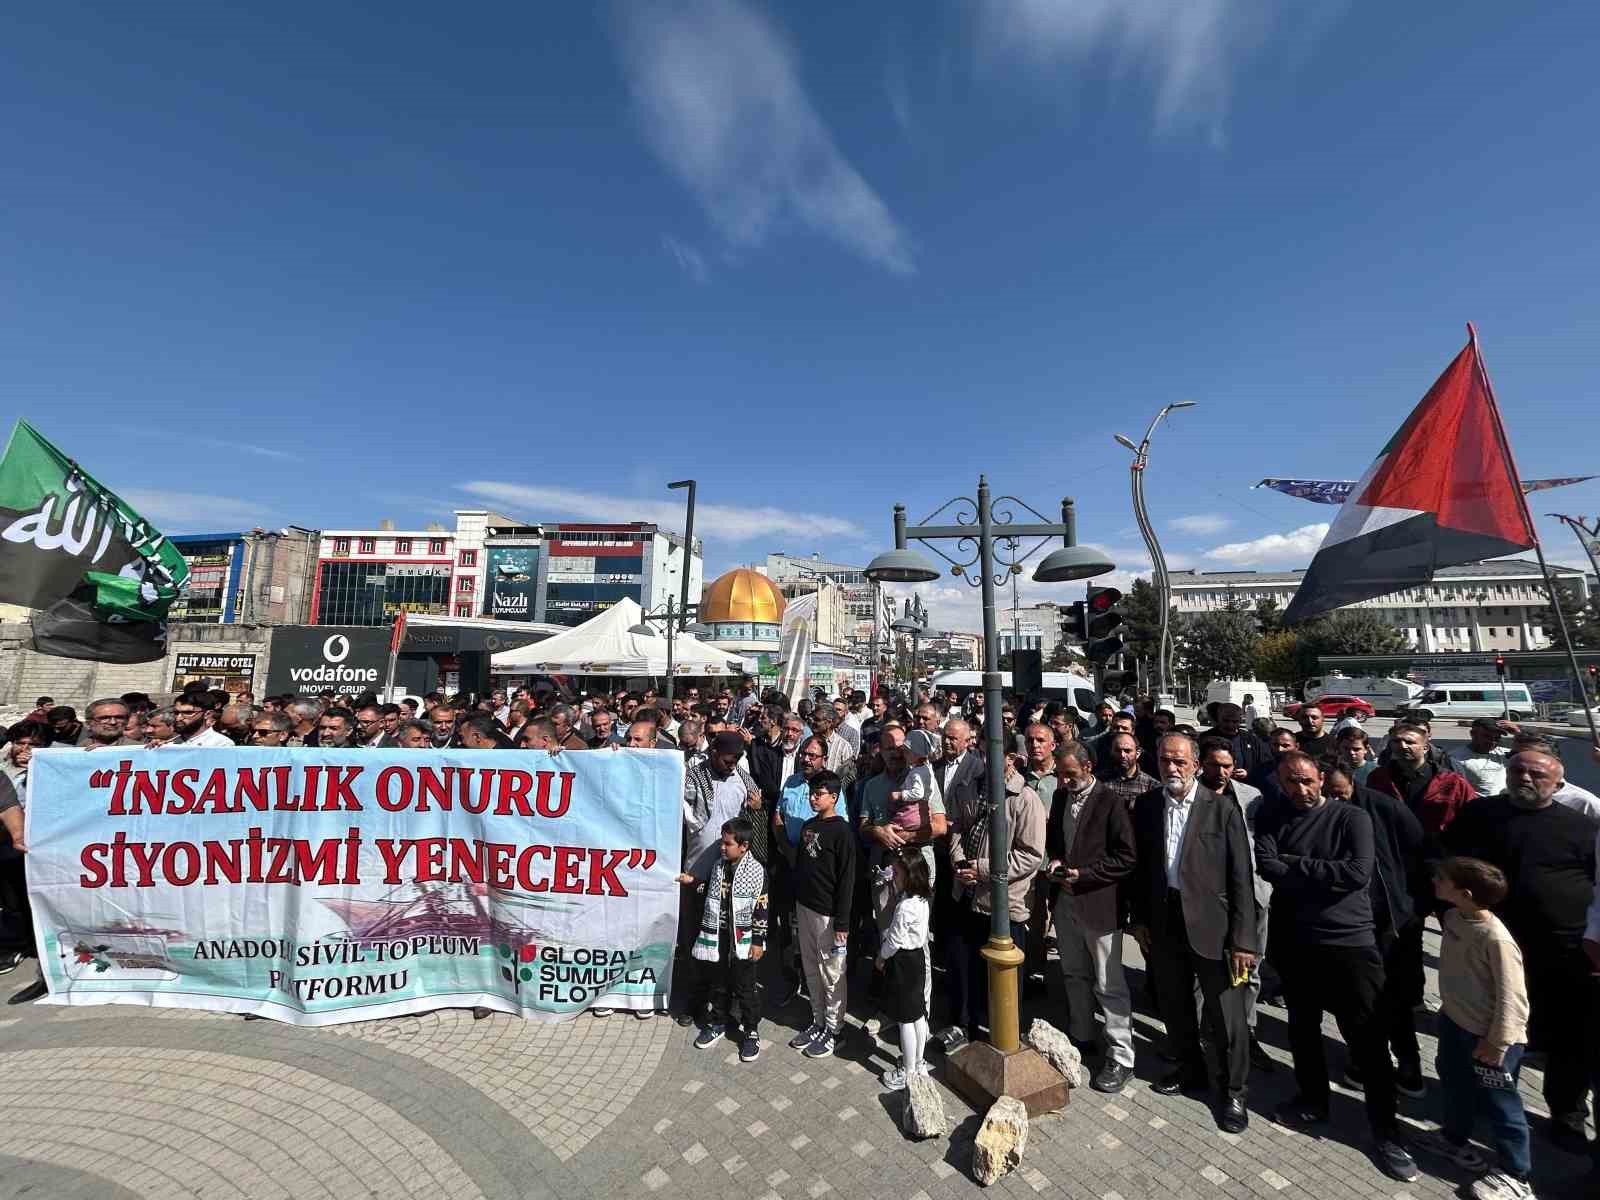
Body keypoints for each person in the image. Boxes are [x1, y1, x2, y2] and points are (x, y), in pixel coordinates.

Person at [1255, 752, 1419, 1183]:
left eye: (1307, 780)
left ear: (1322, 779)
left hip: (1350, 943)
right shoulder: (1272, 817)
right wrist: (1315, 871)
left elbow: (1357, 873)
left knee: (1367, 1038)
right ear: (1280, 782)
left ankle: (1386, 1131)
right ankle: (1312, 1101)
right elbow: (1267, 866)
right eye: (1291, 782)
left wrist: (1295, 866)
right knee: (1303, 1030)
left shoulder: (1352, 819)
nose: (1301, 789)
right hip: (1295, 943)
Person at [1444, 748, 1598, 1161]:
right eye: (1518, 771)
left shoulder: (1582, 826)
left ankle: (1566, 1113)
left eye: (1537, 774)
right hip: (1489, 951)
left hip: (1562, 952)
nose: (1525, 779)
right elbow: (1447, 861)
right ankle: (1483, 1102)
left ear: (1558, 783)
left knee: (1569, 1039)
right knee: (1488, 1029)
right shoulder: (1480, 815)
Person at [1128, 734, 1256, 1134]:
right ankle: (1191, 1071)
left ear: (1196, 765)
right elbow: (1141, 869)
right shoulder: (1147, 806)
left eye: (1181, 762)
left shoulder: (1222, 810)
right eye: (1166, 761)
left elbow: (1241, 880)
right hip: (1165, 927)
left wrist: (1243, 940)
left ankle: (1234, 1091)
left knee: (1227, 1019)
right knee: (1176, 1008)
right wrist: (1139, 920)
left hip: (1215, 933)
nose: (1172, 768)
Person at [1414, 857, 1534, 1200]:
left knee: (1501, 1104)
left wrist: (1497, 1043)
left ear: (1464, 893)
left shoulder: (1496, 939)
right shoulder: (1453, 916)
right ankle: (1453, 1138)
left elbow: (1514, 999)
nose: (1434, 880)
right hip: (1455, 1024)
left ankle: (1516, 1175)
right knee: (1454, 1083)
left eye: (1442, 879)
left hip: (1491, 1039)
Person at [1322, 764, 1429, 1099]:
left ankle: (1408, 1063)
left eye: (1338, 792)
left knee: (1393, 996)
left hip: (1390, 923)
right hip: (1345, 925)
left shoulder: (1385, 808)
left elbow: (1420, 853)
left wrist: (1411, 906)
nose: (1331, 798)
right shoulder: (1316, 813)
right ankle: (1362, 1058)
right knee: (1352, 997)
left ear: (1351, 782)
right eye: (1326, 793)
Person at [1044, 741, 1137, 1093]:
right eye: (1061, 774)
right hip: (1066, 903)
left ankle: (1121, 1056)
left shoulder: (1110, 802)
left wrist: (1084, 875)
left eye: (1071, 774)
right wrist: (1056, 862)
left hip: (1098, 905)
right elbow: (1057, 842)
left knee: (1108, 983)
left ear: (1088, 768)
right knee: (1074, 974)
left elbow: (1126, 857)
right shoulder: (1060, 797)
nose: (1065, 780)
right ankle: (1081, 1036)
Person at [948, 750, 1045, 1046]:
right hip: (965, 892)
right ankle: (964, 1025)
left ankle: (1003, 1035)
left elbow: (1030, 856)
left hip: (1001, 904)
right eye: (980, 751)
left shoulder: (1025, 799)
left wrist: (982, 869)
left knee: (1003, 977)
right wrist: (959, 862)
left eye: (990, 752)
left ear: (1012, 757)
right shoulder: (970, 787)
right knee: (964, 967)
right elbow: (956, 828)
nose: (983, 759)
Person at [1197, 739, 1274, 1070]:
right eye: (1214, 765)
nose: (1221, 772)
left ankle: (1247, 1031)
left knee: (1250, 969)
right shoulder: (1189, 797)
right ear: (1202, 764)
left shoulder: (1251, 796)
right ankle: (1202, 1032)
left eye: (1227, 766)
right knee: (1204, 971)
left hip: (1252, 895)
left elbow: (1263, 844)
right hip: (1205, 898)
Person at [677, 816, 768, 1061]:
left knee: (745, 986)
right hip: (719, 936)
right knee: (719, 981)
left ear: (744, 846)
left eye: (728, 844)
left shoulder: (757, 872)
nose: (722, 847)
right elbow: (710, 891)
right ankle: (717, 1021)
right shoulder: (718, 867)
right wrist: (693, 881)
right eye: (722, 843)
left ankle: (750, 1031)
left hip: (744, 940)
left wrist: (758, 940)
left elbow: (761, 907)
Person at [789, 769, 856, 1059]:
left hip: (828, 914)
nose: (814, 798)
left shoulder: (842, 831)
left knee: (832, 972)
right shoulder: (807, 826)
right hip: (804, 907)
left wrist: (842, 921)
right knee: (811, 967)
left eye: (820, 794)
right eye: (811, 794)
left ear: (834, 797)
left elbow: (847, 879)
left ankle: (834, 1027)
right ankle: (818, 1020)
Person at [876, 847, 932, 1089]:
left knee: (905, 1020)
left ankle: (908, 1073)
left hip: (903, 964)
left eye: (897, 874)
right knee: (918, 1014)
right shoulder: (921, 901)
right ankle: (919, 1063)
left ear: (909, 877)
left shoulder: (905, 907)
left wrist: (881, 957)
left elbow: (894, 941)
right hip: (917, 959)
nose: (894, 877)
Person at [1095, 730, 1158, 812]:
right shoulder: (1098, 782)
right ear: (1111, 751)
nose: (1122, 755)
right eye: (1118, 750)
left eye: (1127, 751)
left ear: (1138, 753)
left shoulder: (1151, 787)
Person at [1459, 718, 1517, 800]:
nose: (1492, 742)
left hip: (1505, 808)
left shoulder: (1505, 754)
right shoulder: (1455, 758)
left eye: (1497, 738)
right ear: (1473, 734)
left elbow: (1536, 754)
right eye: (1486, 736)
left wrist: (1518, 733)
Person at [158, 695, 235, 749]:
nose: (178, 718)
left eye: (188, 713)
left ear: (207, 714)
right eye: (176, 713)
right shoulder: (169, 742)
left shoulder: (222, 744)